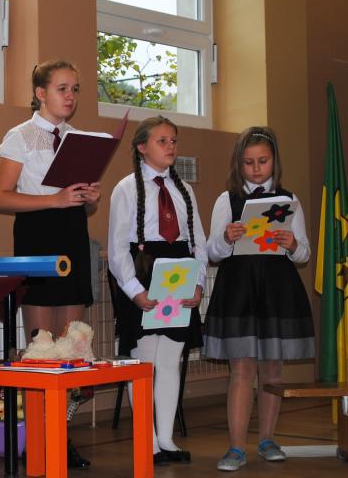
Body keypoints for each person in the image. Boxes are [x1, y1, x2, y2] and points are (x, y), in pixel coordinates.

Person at [0, 59, 100, 469]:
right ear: (40, 93)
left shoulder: (79, 140)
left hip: (73, 236)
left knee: (73, 347)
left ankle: (62, 438)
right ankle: (36, 437)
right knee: (41, 346)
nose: (70, 96)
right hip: (37, 236)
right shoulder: (20, 136)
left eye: (75, 89)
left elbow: (83, 204)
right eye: (62, 88)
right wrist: (54, 199)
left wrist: (90, 199)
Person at [204, 126, 315, 471]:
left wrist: (292, 245)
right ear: (238, 164)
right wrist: (226, 237)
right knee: (241, 369)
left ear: (274, 162)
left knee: (273, 369)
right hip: (239, 289)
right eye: (248, 162)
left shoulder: (289, 199)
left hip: (276, 290)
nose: (255, 169)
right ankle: (236, 447)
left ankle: (267, 439)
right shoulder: (227, 200)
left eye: (262, 161)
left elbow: (304, 253)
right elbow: (212, 251)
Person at [108, 116, 207, 466]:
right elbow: (117, 249)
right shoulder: (125, 189)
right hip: (145, 276)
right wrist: (135, 291)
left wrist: (198, 283)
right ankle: (147, 441)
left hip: (178, 275)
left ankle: (166, 438)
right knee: (145, 362)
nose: (170, 147)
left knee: (170, 361)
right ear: (141, 147)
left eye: (173, 141)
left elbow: (198, 242)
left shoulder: (185, 191)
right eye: (162, 141)